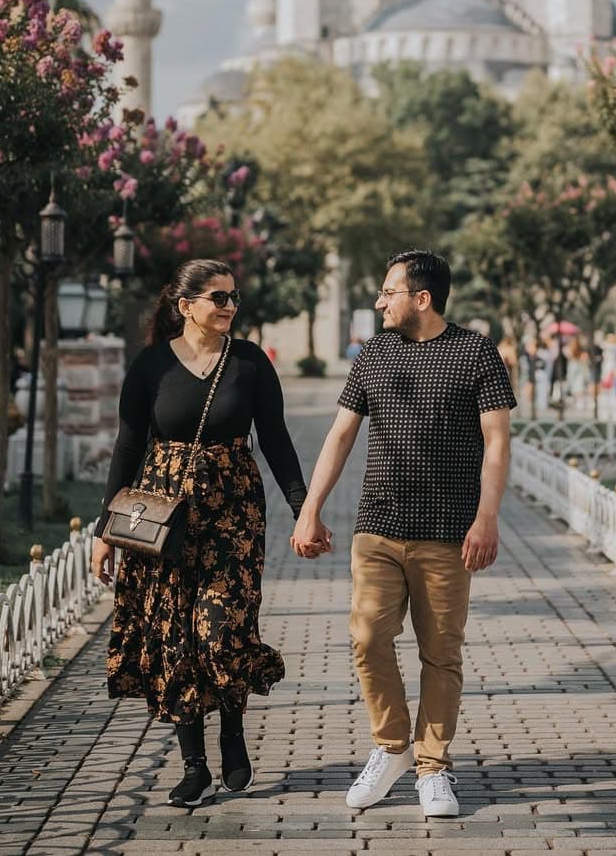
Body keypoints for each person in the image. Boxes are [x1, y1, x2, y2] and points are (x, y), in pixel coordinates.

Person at [290, 249, 514, 819]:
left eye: (388, 292)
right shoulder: (373, 355)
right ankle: (392, 747)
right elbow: (340, 437)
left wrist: (486, 517)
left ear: (422, 298)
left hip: (448, 532)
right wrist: (310, 508)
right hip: (379, 526)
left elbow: (497, 441)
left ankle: (433, 768)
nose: (378, 301)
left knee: (441, 654)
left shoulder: (475, 352)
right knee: (367, 637)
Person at [92, 258, 309, 809]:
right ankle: (194, 766)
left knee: (222, 631)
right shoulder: (149, 368)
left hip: (234, 514)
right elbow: (127, 446)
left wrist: (302, 507)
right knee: (175, 639)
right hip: (164, 515)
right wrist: (104, 532)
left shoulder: (250, 363)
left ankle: (232, 730)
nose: (230, 306)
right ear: (185, 305)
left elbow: (277, 439)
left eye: (234, 296)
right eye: (219, 297)